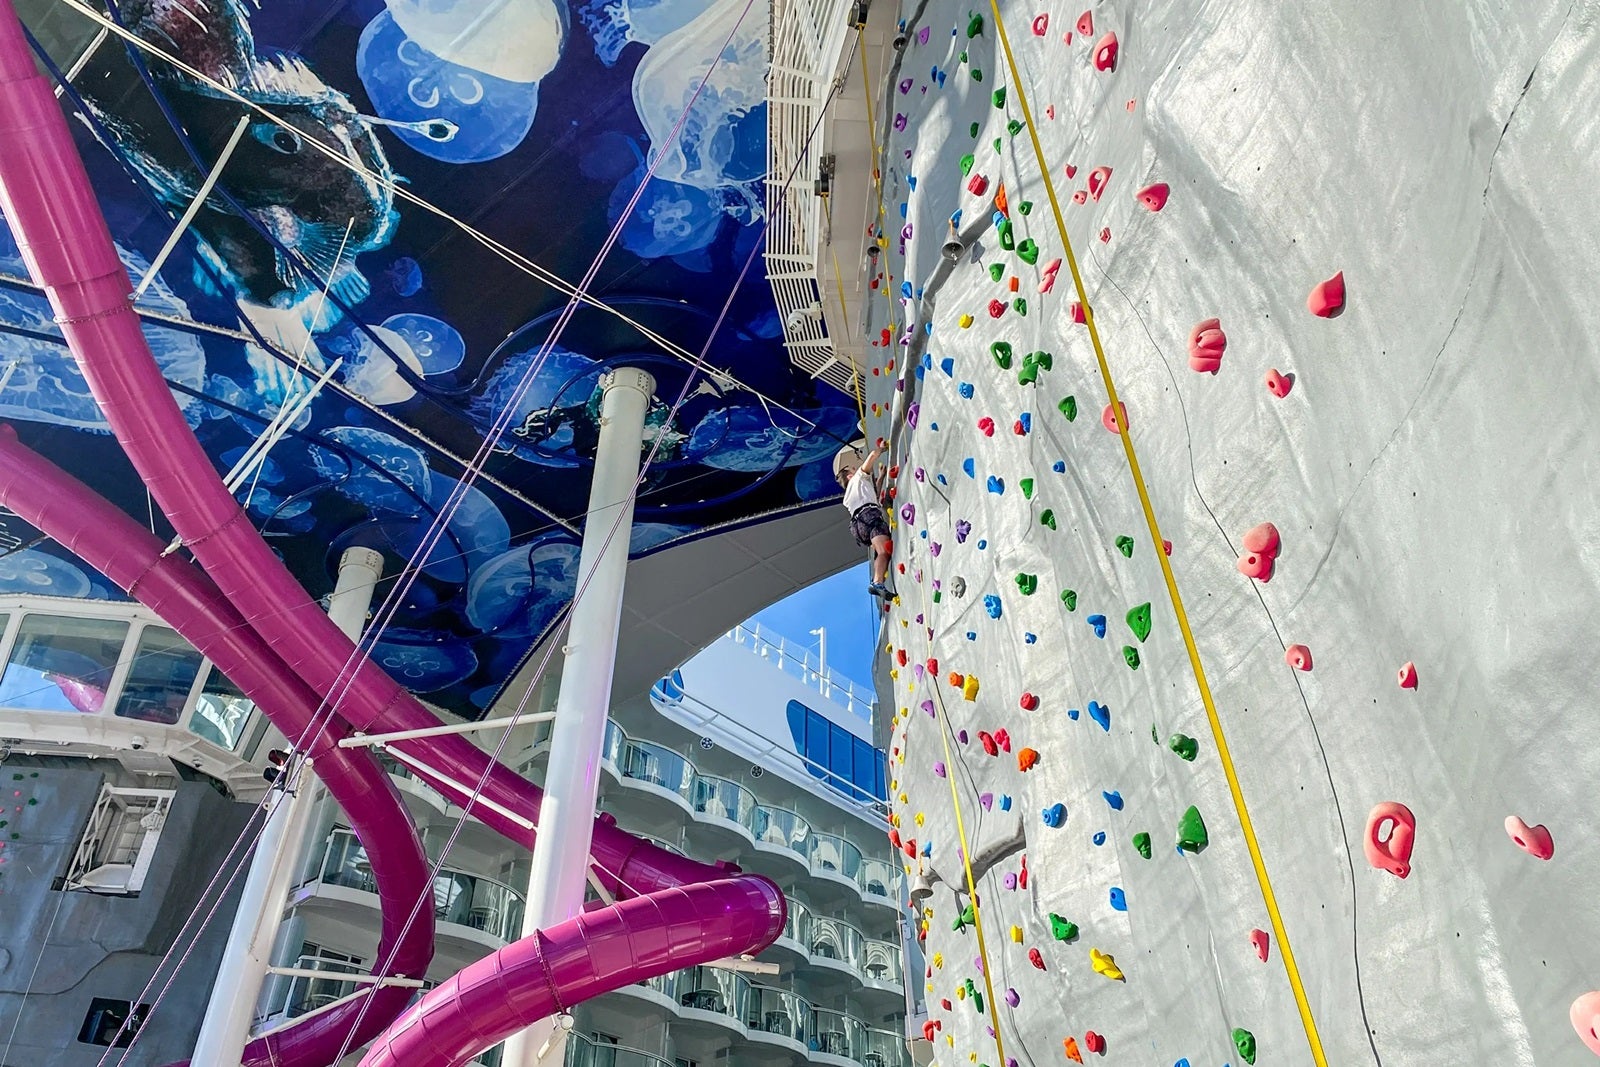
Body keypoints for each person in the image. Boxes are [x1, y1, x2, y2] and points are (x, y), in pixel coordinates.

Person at [835, 442, 892, 598]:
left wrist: (881, 476)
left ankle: (878, 580)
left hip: (859, 526)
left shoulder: (849, 496)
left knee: (881, 551)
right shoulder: (857, 479)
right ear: (850, 476)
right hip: (870, 516)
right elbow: (872, 457)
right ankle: (877, 582)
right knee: (883, 551)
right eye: (853, 469)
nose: (856, 469)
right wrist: (881, 449)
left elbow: (874, 495)